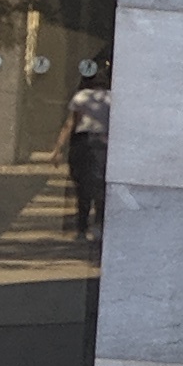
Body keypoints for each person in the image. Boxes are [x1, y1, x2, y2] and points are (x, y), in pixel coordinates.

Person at [60, 70, 110, 242]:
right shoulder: (113, 98)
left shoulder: (81, 97)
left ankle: (82, 228)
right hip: (104, 142)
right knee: (101, 185)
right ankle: (99, 225)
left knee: (82, 186)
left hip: (84, 141)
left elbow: (70, 123)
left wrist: (58, 147)